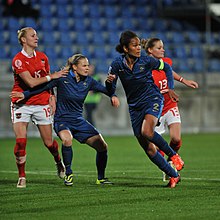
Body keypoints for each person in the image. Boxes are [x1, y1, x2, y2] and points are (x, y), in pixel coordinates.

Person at [11, 54, 120, 186]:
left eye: (88, 65)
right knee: (67, 140)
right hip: (62, 120)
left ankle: (101, 178)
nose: (87, 68)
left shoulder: (89, 81)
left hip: (78, 120)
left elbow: (107, 91)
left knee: (102, 146)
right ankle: (68, 173)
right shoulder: (62, 78)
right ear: (74, 67)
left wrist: (111, 88)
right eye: (84, 65)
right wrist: (25, 94)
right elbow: (42, 88)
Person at [105, 30, 184, 188]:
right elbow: (110, 86)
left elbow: (167, 68)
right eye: (134, 45)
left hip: (152, 99)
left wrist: (170, 88)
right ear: (126, 49)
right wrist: (110, 88)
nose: (138, 48)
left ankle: (174, 156)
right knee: (148, 148)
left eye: (139, 45)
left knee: (147, 131)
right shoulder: (117, 64)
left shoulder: (147, 61)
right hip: (134, 106)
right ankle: (174, 175)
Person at [10, 27, 68, 188]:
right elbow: (31, 83)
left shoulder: (43, 57)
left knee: (49, 143)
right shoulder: (18, 60)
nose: (36, 37)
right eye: (32, 35)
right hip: (21, 104)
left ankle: (58, 161)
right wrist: (53, 76)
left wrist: (52, 96)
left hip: (41, 102)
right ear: (23, 39)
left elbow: (46, 83)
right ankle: (22, 176)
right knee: (21, 141)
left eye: (36, 35)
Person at [141, 37, 199, 181]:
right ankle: (167, 168)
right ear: (150, 50)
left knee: (176, 139)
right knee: (155, 150)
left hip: (170, 105)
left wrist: (183, 80)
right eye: (159, 48)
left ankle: (170, 161)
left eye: (163, 47)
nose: (163, 50)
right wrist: (159, 92)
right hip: (155, 110)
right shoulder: (144, 68)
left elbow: (169, 72)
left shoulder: (166, 62)